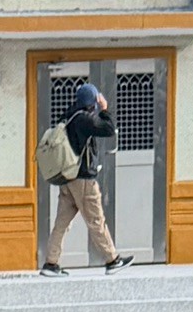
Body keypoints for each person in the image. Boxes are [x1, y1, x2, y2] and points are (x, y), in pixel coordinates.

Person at [41, 83, 133, 274]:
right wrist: (105, 109)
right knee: (96, 220)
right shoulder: (84, 119)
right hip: (82, 179)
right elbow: (108, 129)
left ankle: (51, 263)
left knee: (61, 223)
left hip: (67, 178)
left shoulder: (69, 115)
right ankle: (112, 260)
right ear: (93, 102)